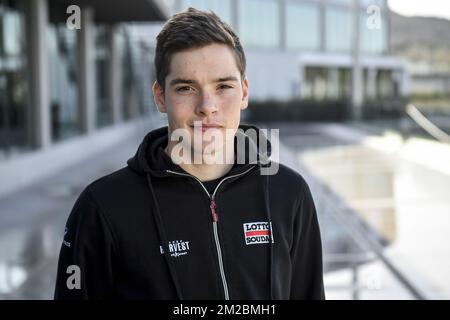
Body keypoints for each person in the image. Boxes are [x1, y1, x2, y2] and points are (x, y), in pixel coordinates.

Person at [54, 7, 324, 300]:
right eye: (186, 88)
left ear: (244, 92)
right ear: (160, 97)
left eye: (223, 86)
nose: (207, 106)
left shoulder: (289, 193)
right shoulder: (103, 208)